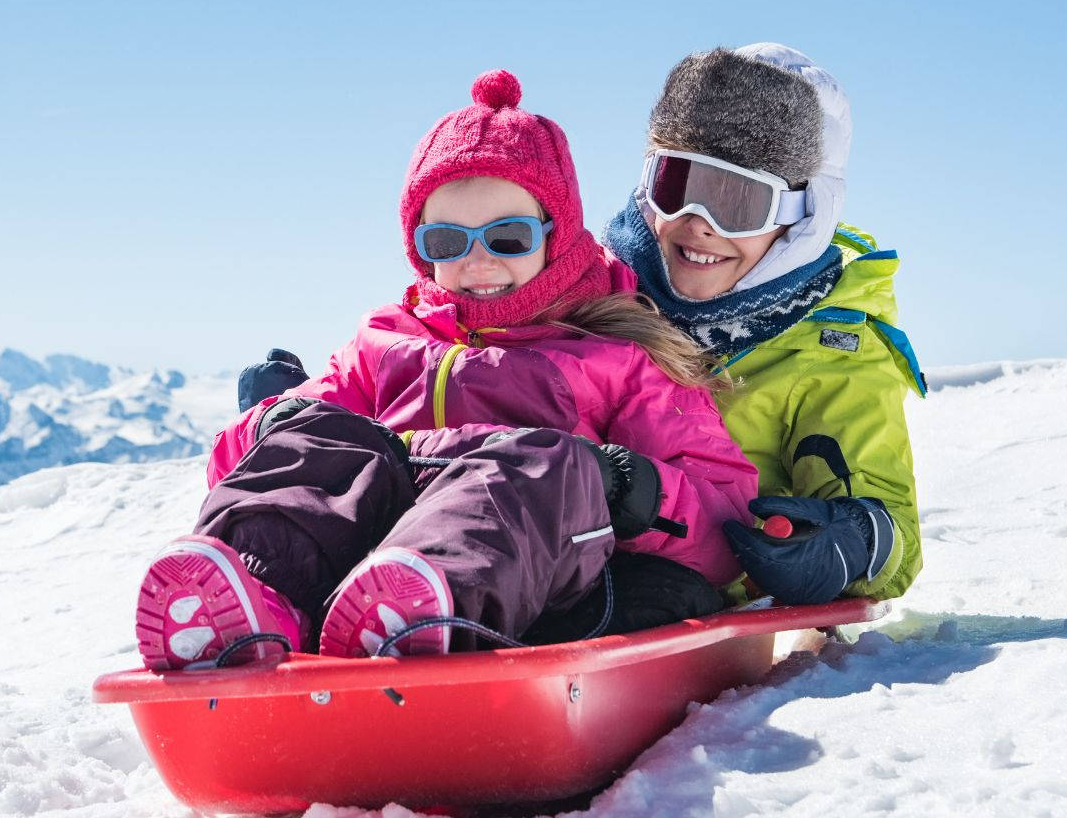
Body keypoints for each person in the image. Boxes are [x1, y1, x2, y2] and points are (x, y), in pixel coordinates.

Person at [133, 71, 758, 671]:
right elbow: (266, 467)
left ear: (557, 234)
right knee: (326, 435)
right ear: (419, 250)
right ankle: (252, 602)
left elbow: (722, 522)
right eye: (447, 243)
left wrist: (628, 489)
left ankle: (419, 610)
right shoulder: (385, 341)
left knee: (544, 464)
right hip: (362, 558)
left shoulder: (617, 356)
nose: (478, 261)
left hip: (537, 581)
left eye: (508, 238)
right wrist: (272, 420)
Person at [599, 44, 925, 605]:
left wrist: (847, 540)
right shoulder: (596, 299)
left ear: (801, 216)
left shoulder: (831, 350)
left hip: (692, 591)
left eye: (737, 202)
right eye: (677, 186)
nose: (698, 225)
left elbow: (887, 516)